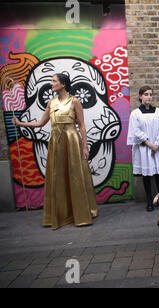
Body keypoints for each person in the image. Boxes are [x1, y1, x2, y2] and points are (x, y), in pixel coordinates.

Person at [12, 73, 98, 230]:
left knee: (76, 175)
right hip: (56, 143)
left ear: (63, 84)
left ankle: (82, 213)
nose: (51, 83)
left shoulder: (75, 101)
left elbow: (82, 125)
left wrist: (85, 146)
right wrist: (20, 124)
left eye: (54, 81)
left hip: (72, 140)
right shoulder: (51, 103)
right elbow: (40, 123)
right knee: (58, 176)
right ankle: (61, 214)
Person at [127, 86, 159, 211]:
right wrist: (150, 144)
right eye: (146, 94)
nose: (149, 97)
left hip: (157, 147)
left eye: (150, 94)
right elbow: (136, 131)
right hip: (144, 148)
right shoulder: (135, 114)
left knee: (158, 175)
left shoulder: (158, 112)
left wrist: (157, 144)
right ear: (140, 96)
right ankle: (149, 200)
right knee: (146, 176)